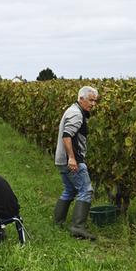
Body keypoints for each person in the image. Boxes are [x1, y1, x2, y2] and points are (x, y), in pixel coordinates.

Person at [54, 85, 99, 240]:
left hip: (61, 159)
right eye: (91, 100)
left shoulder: (74, 110)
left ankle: (58, 222)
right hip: (72, 161)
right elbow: (67, 136)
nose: (93, 104)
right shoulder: (76, 114)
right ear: (81, 98)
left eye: (95, 101)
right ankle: (78, 228)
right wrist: (72, 158)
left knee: (70, 190)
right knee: (86, 190)